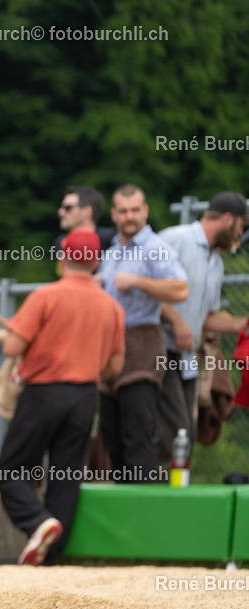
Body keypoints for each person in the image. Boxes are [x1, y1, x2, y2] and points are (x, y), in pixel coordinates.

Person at [0, 229, 126, 566]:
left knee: (11, 470)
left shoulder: (45, 296)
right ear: (96, 263)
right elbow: (115, 366)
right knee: (66, 476)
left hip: (43, 391)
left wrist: (17, 330)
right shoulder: (112, 307)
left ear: (63, 258)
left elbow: (12, 348)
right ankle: (51, 556)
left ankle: (38, 522)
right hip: (85, 396)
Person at [97, 185, 188, 484]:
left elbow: (180, 289)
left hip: (142, 343)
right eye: (123, 211)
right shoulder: (112, 251)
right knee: (111, 435)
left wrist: (138, 281)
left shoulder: (155, 248)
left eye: (135, 210)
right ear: (114, 214)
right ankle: (122, 500)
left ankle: (144, 502)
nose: (130, 216)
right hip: (110, 345)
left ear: (145, 210)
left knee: (138, 432)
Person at [156, 192, 247, 473]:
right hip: (158, 350)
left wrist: (242, 323)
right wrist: (176, 320)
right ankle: (156, 492)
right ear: (228, 219)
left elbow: (207, 317)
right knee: (173, 429)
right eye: (241, 227)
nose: (239, 236)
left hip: (186, 358)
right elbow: (142, 289)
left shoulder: (216, 262)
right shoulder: (176, 239)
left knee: (188, 432)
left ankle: (177, 489)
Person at [52, 185, 115, 258]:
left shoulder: (112, 240)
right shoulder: (61, 243)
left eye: (68, 208)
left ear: (86, 211)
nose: (60, 212)